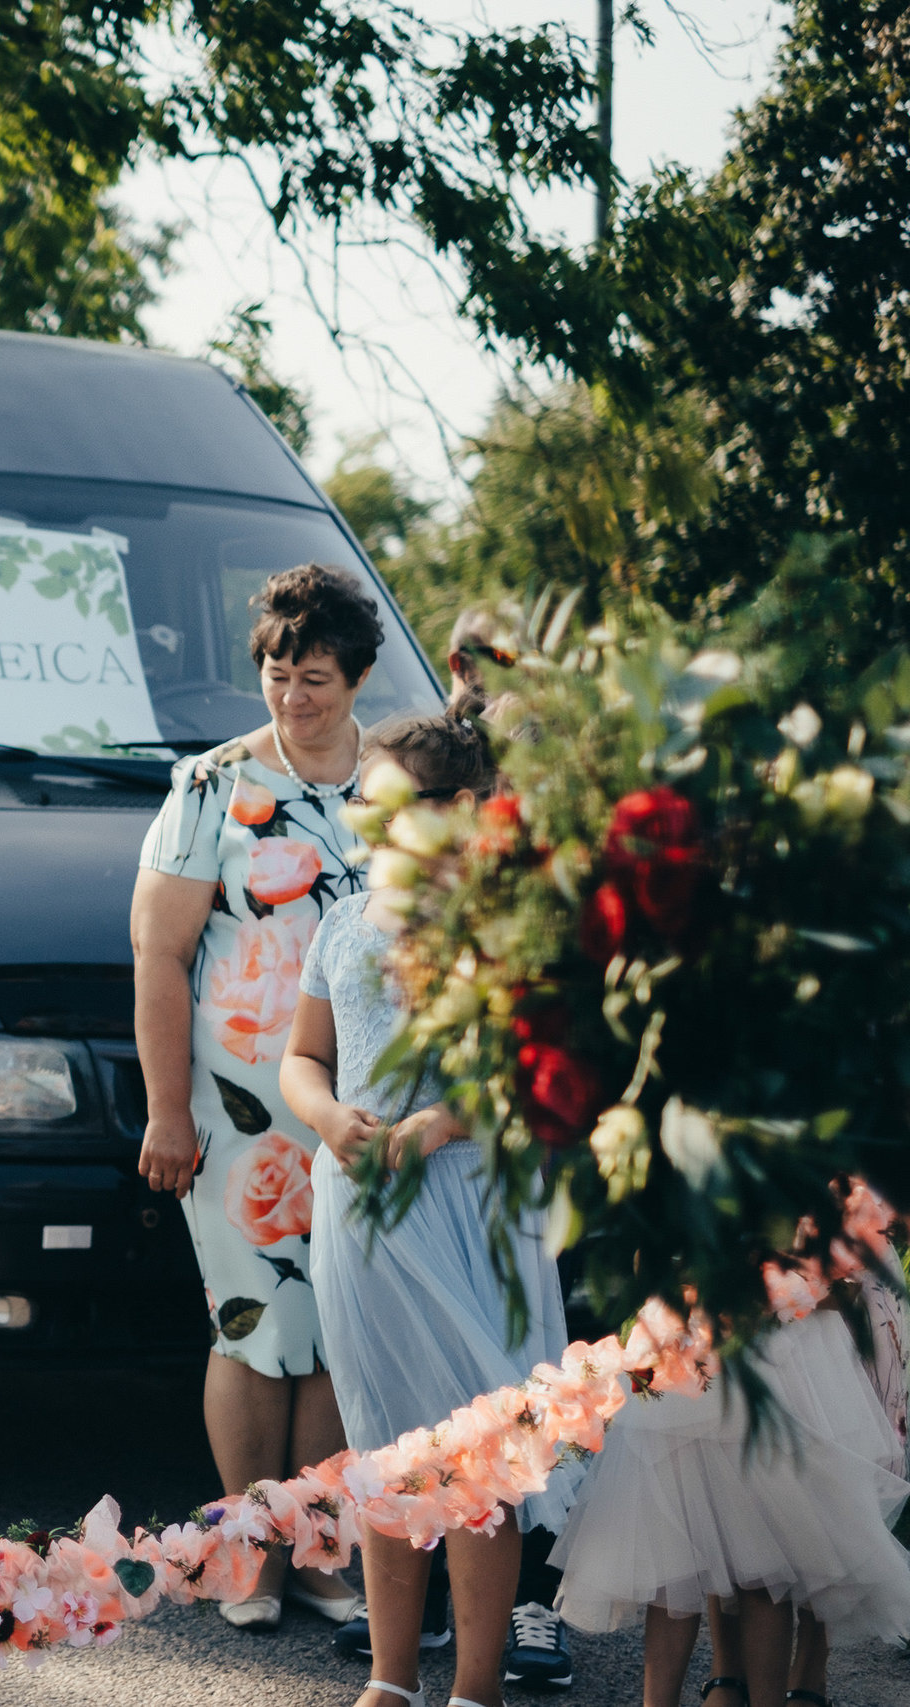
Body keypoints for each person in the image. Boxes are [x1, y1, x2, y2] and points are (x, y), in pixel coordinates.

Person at [280, 710, 580, 1707]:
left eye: (386, 802)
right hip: (361, 1202)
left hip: (471, 1199)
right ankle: (392, 1676)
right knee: (388, 1441)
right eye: (360, 801)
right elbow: (302, 1057)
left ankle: (476, 1684)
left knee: (476, 1441)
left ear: (456, 812)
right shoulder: (341, 922)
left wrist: (443, 1126)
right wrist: (327, 1118)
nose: (364, 817)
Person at [131, 561, 377, 1629]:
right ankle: (248, 1560)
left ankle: (323, 1554)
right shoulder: (207, 787)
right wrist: (167, 1108)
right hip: (237, 1120)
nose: (292, 694)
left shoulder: (400, 785)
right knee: (250, 1326)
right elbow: (157, 951)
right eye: (278, 671)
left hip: (362, 1109)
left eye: (314, 674)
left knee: (336, 1329)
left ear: (356, 675)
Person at [549, 1267, 910, 1704]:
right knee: (671, 1560)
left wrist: (778, 1292)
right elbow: (649, 1257)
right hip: (682, 1354)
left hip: (778, 1364)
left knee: (764, 1561)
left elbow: (840, 1282)